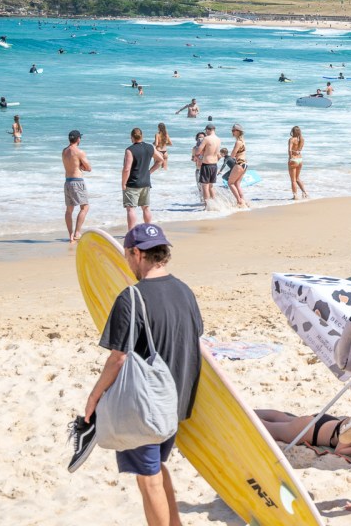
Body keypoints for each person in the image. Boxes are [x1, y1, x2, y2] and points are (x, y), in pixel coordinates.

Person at [86, 224, 203, 526]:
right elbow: (194, 339)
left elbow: (118, 358)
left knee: (148, 479)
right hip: (175, 401)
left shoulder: (132, 298)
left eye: (127, 255)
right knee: (155, 468)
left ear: (137, 253)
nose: (127, 261)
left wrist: (94, 397)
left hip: (146, 406)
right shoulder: (185, 290)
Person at [254, 410, 351, 457]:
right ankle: (242, 413)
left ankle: (248, 409)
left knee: (281, 418)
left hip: (322, 421)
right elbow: (339, 451)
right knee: (268, 428)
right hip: (309, 431)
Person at [122, 128, 164, 231]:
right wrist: (149, 172)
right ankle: (149, 230)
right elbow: (160, 160)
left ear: (132, 137)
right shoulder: (150, 147)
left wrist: (123, 183)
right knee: (146, 207)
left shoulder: (130, 150)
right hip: (145, 182)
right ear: (142, 136)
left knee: (131, 209)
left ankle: (131, 232)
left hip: (133, 182)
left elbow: (127, 169)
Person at [62, 130, 93, 242]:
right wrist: (83, 167)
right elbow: (89, 168)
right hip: (77, 181)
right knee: (85, 207)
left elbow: (71, 164)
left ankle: (70, 235)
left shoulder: (64, 151)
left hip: (67, 181)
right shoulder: (79, 152)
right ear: (78, 139)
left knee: (69, 210)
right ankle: (77, 233)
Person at [195, 123, 221, 205]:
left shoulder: (206, 139)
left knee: (205, 186)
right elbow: (218, 155)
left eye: (206, 130)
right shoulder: (218, 139)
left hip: (206, 164)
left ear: (209, 130)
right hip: (214, 165)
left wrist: (199, 154)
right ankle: (215, 204)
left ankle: (208, 206)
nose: (206, 132)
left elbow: (198, 152)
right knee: (211, 186)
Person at [226, 124, 249, 208]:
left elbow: (232, 155)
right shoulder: (243, 141)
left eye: (233, 130)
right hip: (244, 164)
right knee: (237, 183)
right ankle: (243, 201)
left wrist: (226, 156)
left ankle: (239, 201)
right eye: (232, 130)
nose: (232, 132)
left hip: (239, 164)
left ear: (238, 131)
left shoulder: (238, 142)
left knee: (230, 183)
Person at [288, 126, 308, 199]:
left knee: (293, 180)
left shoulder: (291, 139)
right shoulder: (302, 140)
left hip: (294, 159)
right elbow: (299, 150)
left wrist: (290, 158)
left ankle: (295, 195)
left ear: (292, 132)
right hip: (300, 159)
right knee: (297, 178)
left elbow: (290, 150)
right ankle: (305, 193)